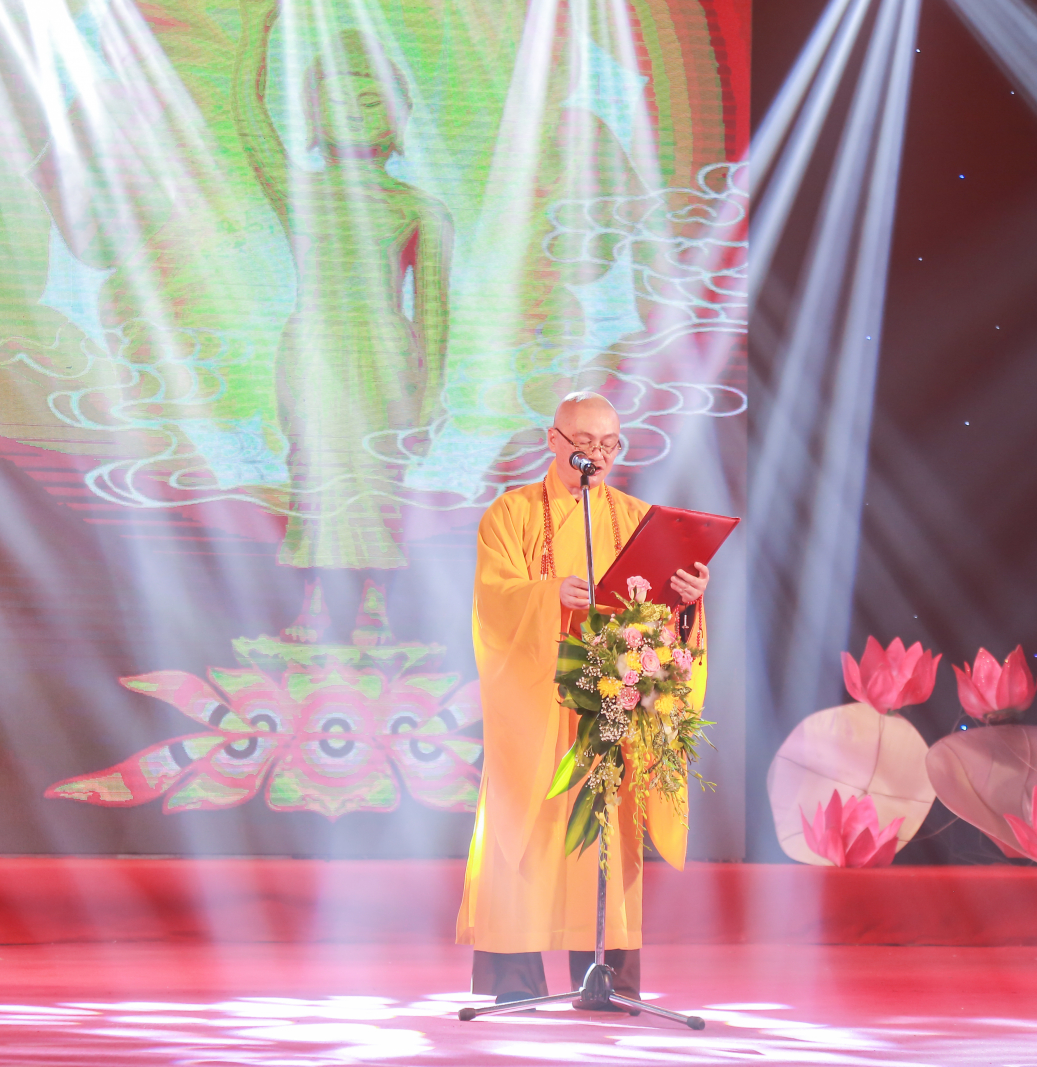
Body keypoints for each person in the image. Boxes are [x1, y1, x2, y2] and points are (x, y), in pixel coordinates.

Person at [456, 391, 710, 1005]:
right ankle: (515, 982)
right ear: (554, 441)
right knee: (524, 834)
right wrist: (548, 596)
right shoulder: (510, 514)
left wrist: (688, 597)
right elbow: (493, 602)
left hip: (610, 705)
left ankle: (605, 979)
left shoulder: (638, 518)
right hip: (536, 706)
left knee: (608, 836)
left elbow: (659, 614)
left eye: (609, 444)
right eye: (585, 443)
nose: (597, 455)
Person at [232, 1, 453, 646]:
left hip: (386, 354)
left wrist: (431, 394)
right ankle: (315, 609)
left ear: (400, 116)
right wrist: (256, 28)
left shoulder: (420, 210)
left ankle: (376, 607)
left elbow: (435, 312)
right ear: (313, 114)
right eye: (339, 100)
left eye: (373, 101)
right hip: (315, 351)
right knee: (316, 474)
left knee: (377, 476)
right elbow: (246, 112)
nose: (357, 112)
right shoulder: (299, 191)